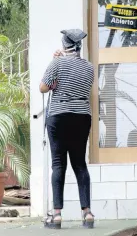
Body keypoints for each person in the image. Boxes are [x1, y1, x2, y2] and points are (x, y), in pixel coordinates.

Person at [39, 29, 95, 229]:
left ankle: (56, 215)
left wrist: (55, 79)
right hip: (82, 116)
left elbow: (43, 87)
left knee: (58, 164)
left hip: (59, 116)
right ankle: (87, 213)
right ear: (79, 47)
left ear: (64, 46)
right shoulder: (89, 67)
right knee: (80, 164)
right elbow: (84, 86)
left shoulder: (57, 63)